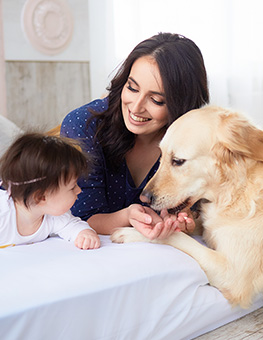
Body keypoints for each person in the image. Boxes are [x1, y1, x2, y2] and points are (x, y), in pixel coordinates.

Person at [60, 32, 209, 240]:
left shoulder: (195, 143)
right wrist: (128, 216)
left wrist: (182, 219)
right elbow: (79, 217)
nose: (136, 107)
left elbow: (197, 211)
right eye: (132, 88)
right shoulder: (84, 126)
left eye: (156, 100)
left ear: (180, 105)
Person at [0, 132, 100, 249]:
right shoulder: (3, 215)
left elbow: (72, 225)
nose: (79, 190)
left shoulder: (53, 216)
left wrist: (85, 234)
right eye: (72, 187)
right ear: (41, 197)